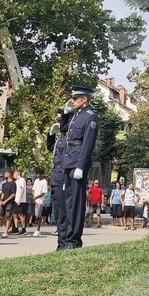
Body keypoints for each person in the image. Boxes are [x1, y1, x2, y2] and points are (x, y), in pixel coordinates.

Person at [61, 85, 99, 249]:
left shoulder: (90, 117)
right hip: (69, 161)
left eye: (76, 98)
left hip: (77, 162)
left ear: (84, 99)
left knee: (76, 203)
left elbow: (88, 144)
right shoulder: (76, 116)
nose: (73, 100)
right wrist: (66, 113)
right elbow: (63, 130)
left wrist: (81, 166)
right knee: (69, 202)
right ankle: (69, 237)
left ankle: (74, 239)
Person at [47, 100, 74, 249]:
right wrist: (50, 135)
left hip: (63, 175)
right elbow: (50, 148)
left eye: (60, 121)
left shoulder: (70, 139)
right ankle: (61, 242)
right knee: (58, 211)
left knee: (64, 212)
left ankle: (64, 243)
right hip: (56, 176)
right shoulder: (60, 139)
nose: (58, 124)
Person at [32, 169, 48, 236]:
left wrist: (35, 197)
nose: (38, 175)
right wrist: (33, 197)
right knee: (34, 215)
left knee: (38, 215)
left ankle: (38, 230)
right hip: (34, 200)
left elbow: (43, 192)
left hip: (40, 200)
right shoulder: (36, 181)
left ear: (42, 174)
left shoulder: (44, 182)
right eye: (37, 174)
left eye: (39, 174)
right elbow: (33, 189)